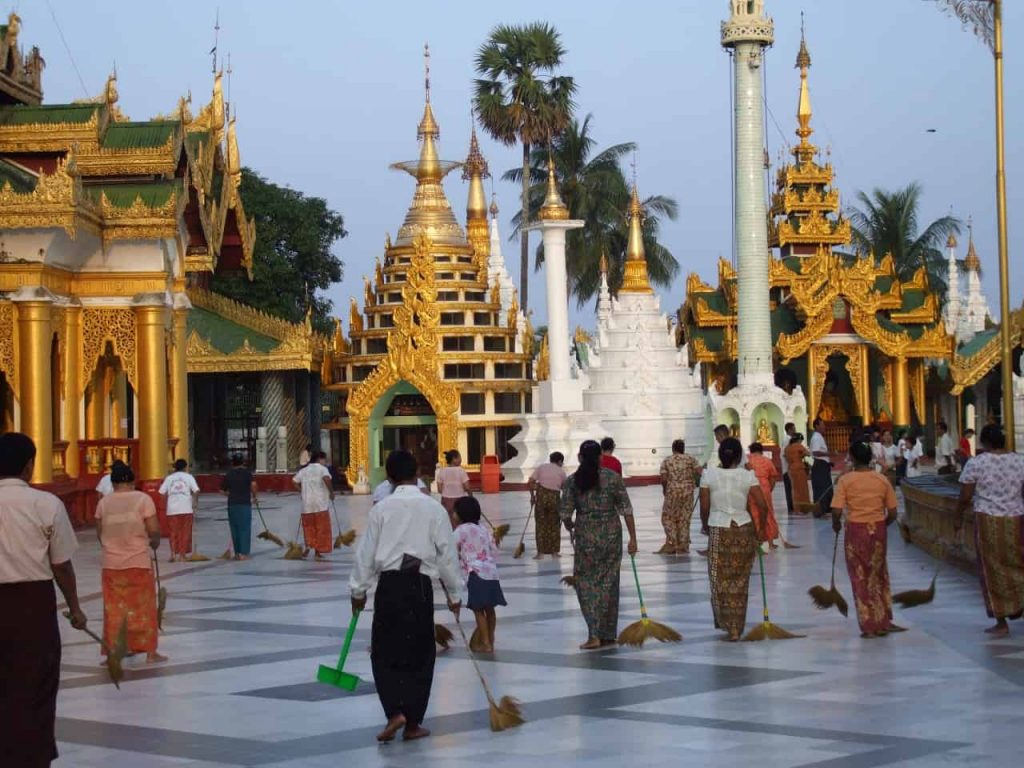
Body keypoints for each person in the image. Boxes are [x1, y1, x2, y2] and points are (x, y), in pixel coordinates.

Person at [349, 449, 462, 743]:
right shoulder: (434, 509)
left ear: (389, 477)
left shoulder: (381, 509)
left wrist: (358, 591)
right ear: (418, 474)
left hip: (389, 586)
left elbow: (366, 555)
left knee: (385, 652)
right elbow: (447, 555)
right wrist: (454, 593)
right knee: (421, 653)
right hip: (420, 587)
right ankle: (413, 722)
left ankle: (394, 712)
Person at [0, 433, 86, 768]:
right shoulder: (46, 504)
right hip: (32, 607)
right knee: (35, 683)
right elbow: (61, 566)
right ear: (28, 465)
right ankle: (31, 757)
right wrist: (75, 608)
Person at [559, 440, 638, 650]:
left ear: (579, 457)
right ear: (600, 457)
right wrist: (633, 538)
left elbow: (565, 513)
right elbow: (626, 509)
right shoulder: (612, 478)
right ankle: (608, 633)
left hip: (586, 536)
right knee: (609, 583)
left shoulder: (572, 482)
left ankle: (594, 634)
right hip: (612, 535)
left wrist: (570, 525)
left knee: (585, 583)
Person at [956, 424, 1024, 636]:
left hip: (987, 519)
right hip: (1016, 519)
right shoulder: (1020, 461)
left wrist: (957, 517)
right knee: (1019, 563)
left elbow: (965, 496)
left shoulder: (977, 463)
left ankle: (1001, 621)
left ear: (984, 443)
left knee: (991, 569)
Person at [699, 437, 770, 641]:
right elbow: (762, 506)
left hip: (719, 529)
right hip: (743, 529)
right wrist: (761, 531)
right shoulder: (747, 476)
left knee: (719, 579)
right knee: (740, 580)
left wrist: (705, 525)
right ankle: (736, 628)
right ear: (739, 456)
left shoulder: (708, 475)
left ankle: (727, 624)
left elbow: (704, 506)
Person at [95, 462, 166, 663]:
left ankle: (113, 653)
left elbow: (99, 532)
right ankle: (150, 652)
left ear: (113, 482)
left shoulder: (103, 503)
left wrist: (111, 546)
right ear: (132, 480)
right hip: (138, 562)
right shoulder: (143, 499)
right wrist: (154, 542)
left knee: (114, 609)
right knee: (144, 607)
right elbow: (153, 530)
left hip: (111, 564)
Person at [830, 441, 902, 638]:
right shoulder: (881, 479)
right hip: (878, 529)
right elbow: (894, 513)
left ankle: (869, 625)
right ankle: (884, 620)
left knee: (860, 576)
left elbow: (836, 510)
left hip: (855, 530)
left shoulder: (845, 480)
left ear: (851, 458)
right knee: (879, 574)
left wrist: (836, 524)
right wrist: (881, 525)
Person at [453, 496, 506, 653]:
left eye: (454, 512)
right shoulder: (483, 528)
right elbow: (493, 549)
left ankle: (485, 643)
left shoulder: (460, 530)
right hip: (491, 573)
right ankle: (491, 638)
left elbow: (450, 549)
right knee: (490, 609)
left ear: (461, 514)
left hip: (475, 573)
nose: (453, 515)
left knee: (478, 609)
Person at [657, 440, 701, 554]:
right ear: (683, 448)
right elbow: (700, 472)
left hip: (672, 493)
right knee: (684, 519)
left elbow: (664, 478)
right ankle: (683, 545)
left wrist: (665, 490)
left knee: (667, 518)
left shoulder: (667, 460)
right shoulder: (691, 459)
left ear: (673, 449)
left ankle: (673, 542)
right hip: (688, 493)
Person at [293, 451, 334, 559]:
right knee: (321, 528)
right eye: (324, 459)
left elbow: (294, 481)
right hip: (320, 504)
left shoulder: (304, 470)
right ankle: (317, 552)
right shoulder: (322, 469)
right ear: (320, 459)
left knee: (309, 528)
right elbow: (326, 479)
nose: (325, 462)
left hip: (307, 504)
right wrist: (331, 492)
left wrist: (301, 491)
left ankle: (308, 547)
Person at [159, 459, 200, 562]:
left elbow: (161, 492)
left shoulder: (169, 478)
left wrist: (168, 500)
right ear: (185, 467)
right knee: (185, 532)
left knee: (173, 532)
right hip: (186, 508)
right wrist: (195, 502)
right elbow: (196, 490)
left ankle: (173, 554)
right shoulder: (189, 477)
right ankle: (182, 555)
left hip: (172, 510)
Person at [528, 452, 567, 559]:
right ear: (559, 461)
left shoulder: (541, 467)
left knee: (540, 524)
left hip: (541, 497)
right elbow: (565, 488)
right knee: (554, 524)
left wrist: (532, 497)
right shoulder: (561, 472)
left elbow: (530, 481)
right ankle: (554, 552)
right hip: (554, 498)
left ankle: (540, 553)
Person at [220, 454, 256, 560]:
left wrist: (230, 494)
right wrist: (254, 497)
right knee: (244, 528)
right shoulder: (247, 473)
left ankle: (237, 553)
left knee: (234, 528)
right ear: (243, 462)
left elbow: (222, 490)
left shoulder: (229, 474)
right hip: (244, 504)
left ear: (233, 463)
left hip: (232, 504)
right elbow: (253, 485)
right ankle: (243, 553)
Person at [746, 442, 781, 550]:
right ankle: (770, 543)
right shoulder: (766, 460)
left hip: (751, 487)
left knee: (754, 514)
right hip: (765, 487)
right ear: (761, 450)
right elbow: (773, 477)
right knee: (768, 514)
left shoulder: (747, 460)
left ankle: (757, 542)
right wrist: (769, 489)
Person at [436, 449, 471, 520]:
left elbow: (439, 490)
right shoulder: (461, 471)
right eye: (459, 457)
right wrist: (471, 496)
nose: (461, 459)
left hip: (446, 500)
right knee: (459, 519)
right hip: (460, 500)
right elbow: (467, 487)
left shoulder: (442, 471)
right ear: (454, 459)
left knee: (448, 520)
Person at [809, 418, 833, 517]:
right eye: (822, 425)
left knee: (826, 487)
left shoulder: (819, 437)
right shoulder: (816, 438)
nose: (824, 427)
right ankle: (820, 510)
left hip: (823, 465)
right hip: (819, 465)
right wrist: (830, 453)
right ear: (817, 426)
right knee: (821, 488)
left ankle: (826, 508)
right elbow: (815, 452)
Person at [784, 433, 811, 511]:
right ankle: (804, 507)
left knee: (794, 489)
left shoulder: (787, 448)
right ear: (799, 440)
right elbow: (808, 454)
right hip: (799, 468)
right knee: (802, 488)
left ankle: (796, 508)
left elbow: (786, 457)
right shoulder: (798, 446)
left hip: (790, 469)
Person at [781, 422, 796, 513]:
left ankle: (792, 506)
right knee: (790, 488)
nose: (795, 430)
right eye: (794, 428)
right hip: (788, 468)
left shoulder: (788, 439)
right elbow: (785, 453)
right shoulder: (788, 440)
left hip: (788, 467)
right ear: (789, 430)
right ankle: (791, 507)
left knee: (790, 488)